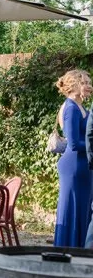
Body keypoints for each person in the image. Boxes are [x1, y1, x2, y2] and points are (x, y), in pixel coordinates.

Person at [53, 70, 92, 247]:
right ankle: (68, 251)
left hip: (84, 166)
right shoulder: (70, 108)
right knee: (73, 211)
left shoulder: (80, 106)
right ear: (75, 85)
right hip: (74, 167)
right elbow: (74, 144)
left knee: (83, 210)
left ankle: (82, 251)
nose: (89, 86)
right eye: (85, 83)